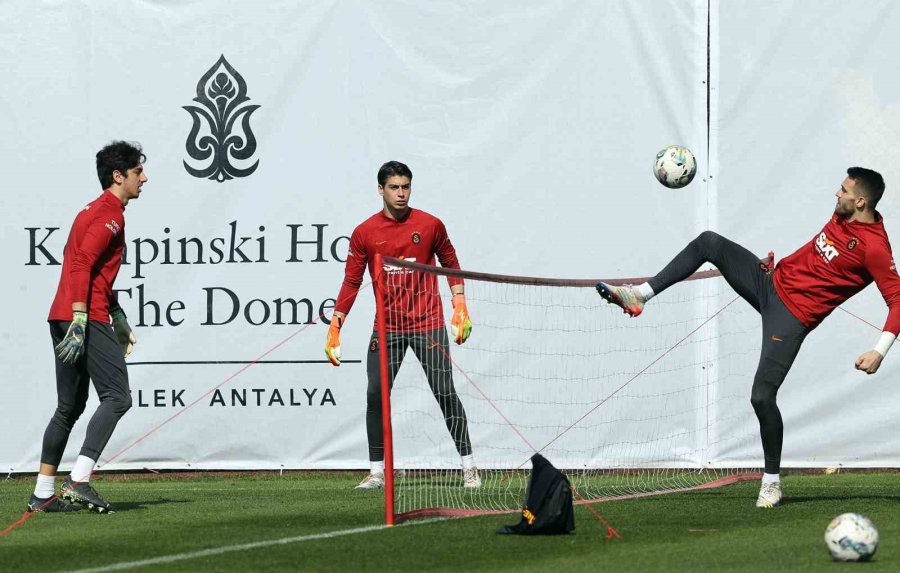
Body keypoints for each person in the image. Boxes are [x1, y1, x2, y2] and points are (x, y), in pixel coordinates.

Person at [596, 167, 899, 508]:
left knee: (760, 397)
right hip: (768, 282)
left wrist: (879, 351)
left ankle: (771, 482)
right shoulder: (844, 216)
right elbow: (815, 256)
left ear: (861, 201)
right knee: (709, 242)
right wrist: (780, 266)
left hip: (790, 318)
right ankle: (640, 295)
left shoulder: (874, 247)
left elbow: (897, 300)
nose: (836, 194)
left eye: (843, 191)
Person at [325, 160, 481, 489]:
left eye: (405, 186)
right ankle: (377, 472)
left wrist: (460, 304)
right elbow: (351, 282)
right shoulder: (365, 232)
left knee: (444, 391)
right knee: (375, 393)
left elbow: (451, 263)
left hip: (428, 323)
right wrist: (335, 325)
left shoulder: (430, 225)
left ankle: (469, 468)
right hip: (388, 328)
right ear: (380, 189)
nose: (401, 193)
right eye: (394, 187)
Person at [27, 141, 146, 514]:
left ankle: (42, 494)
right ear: (118, 176)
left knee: (69, 406)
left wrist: (118, 314)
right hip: (83, 317)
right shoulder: (110, 215)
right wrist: (83, 317)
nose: (144, 177)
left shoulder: (92, 211)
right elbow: (80, 264)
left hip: (65, 314)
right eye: (138, 171)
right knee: (118, 396)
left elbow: (94, 273)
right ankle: (79, 480)